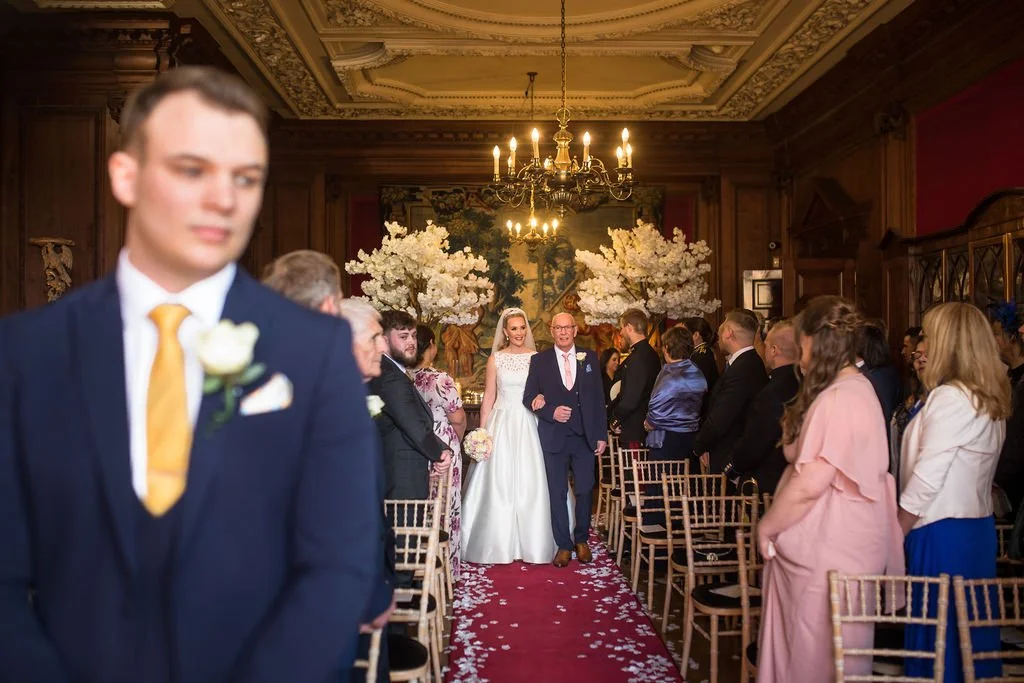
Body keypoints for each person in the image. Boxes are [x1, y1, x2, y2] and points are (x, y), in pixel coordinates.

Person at [0, 67, 381, 683]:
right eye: (192, 169)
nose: (224, 199)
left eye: (246, 178)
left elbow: (338, 567)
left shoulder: (313, 353)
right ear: (125, 175)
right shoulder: (26, 355)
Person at [261, 251, 395, 683]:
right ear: (327, 309)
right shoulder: (328, 390)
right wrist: (370, 592)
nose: (382, 347)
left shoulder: (251, 371)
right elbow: (343, 505)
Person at [756, 296, 903, 682]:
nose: (800, 355)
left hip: (830, 545)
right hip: (840, 541)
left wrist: (767, 526)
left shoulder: (842, 398)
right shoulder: (847, 390)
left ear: (817, 344)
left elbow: (810, 482)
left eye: (802, 344)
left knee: (815, 653)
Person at [899, 302, 1011, 682]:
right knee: (967, 642)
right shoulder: (984, 396)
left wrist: (894, 531)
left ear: (948, 343)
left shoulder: (952, 398)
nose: (922, 344)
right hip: (972, 530)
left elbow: (927, 480)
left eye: (929, 336)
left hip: (941, 530)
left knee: (939, 643)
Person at [461, 308, 556, 564]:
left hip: (528, 423)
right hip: (501, 422)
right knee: (499, 480)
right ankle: (495, 542)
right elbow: (489, 397)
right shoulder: (496, 359)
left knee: (531, 480)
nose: (518, 332)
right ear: (505, 332)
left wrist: (541, 399)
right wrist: (483, 432)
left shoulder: (537, 358)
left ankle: (534, 542)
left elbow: (544, 393)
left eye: (522, 327)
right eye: (513, 328)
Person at [523, 312, 608, 567]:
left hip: (584, 437)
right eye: (558, 328)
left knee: (584, 489)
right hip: (554, 437)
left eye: (567, 327)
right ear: (552, 331)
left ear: (574, 330)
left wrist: (601, 435)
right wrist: (550, 411)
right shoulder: (539, 361)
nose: (563, 332)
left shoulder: (589, 357)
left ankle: (581, 540)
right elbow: (528, 397)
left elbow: (598, 398)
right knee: (557, 492)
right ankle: (563, 545)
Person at [368, 311, 452, 502]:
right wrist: (438, 453)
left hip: (401, 476)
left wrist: (442, 448)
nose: (412, 342)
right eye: (403, 336)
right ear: (384, 339)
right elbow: (411, 423)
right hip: (399, 479)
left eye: (413, 336)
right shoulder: (389, 376)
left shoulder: (393, 372)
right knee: (406, 532)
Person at [411, 324, 466, 581]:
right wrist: (458, 439)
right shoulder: (439, 379)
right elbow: (457, 417)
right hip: (443, 443)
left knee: (423, 505)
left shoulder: (405, 377)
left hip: (415, 444)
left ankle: (419, 564)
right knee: (447, 506)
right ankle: (446, 572)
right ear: (431, 345)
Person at [722, 319, 801, 495]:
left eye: (765, 345)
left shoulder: (772, 392)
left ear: (774, 350)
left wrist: (732, 468)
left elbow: (756, 440)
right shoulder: (807, 384)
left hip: (769, 482)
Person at [693, 308, 768, 473]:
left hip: (730, 457)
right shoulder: (746, 363)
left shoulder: (743, 369)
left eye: (721, 329)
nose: (717, 336)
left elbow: (721, 417)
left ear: (728, 333)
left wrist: (699, 445)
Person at [643, 325, 706, 463]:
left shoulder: (670, 374)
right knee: (684, 482)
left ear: (666, 348)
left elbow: (656, 407)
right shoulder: (697, 372)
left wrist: (648, 423)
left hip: (666, 441)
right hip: (690, 438)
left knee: (663, 482)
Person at [611, 308, 661, 448]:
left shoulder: (638, 358)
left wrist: (615, 419)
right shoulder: (650, 354)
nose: (620, 333)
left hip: (635, 429)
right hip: (643, 426)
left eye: (622, 328)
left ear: (629, 328)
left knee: (635, 470)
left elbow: (631, 397)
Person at [600, 347, 621, 415]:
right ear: (606, 361)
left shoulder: (620, 378)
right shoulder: (600, 380)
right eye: (614, 360)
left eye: (618, 360)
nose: (617, 362)